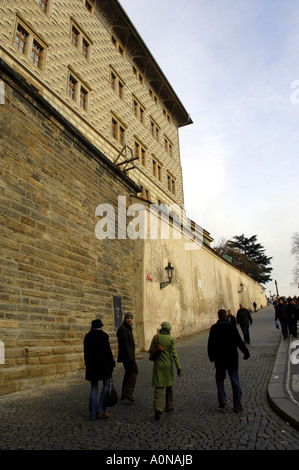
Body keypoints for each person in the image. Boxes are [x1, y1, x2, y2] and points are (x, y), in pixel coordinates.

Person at [208, 309, 250, 413]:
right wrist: (246, 352)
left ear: (218, 316)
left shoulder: (214, 328)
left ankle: (222, 398)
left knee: (220, 379)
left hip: (219, 359)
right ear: (226, 316)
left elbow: (210, 344)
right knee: (235, 381)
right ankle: (237, 405)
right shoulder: (231, 327)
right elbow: (239, 341)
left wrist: (211, 357)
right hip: (231, 358)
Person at [149, 321, 182, 421]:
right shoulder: (171, 339)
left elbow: (150, 350)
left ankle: (158, 408)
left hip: (158, 365)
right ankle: (169, 406)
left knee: (159, 387)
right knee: (169, 386)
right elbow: (174, 354)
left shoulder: (156, 338)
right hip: (168, 365)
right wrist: (179, 367)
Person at [84, 319, 115, 420]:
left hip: (92, 367)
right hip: (104, 366)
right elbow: (108, 352)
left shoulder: (87, 337)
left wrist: (87, 365)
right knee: (106, 386)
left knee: (93, 389)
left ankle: (93, 414)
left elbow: (86, 354)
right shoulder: (104, 336)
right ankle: (101, 409)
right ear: (101, 326)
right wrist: (112, 363)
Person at [117, 312, 138, 402]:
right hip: (127, 356)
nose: (130, 320)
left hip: (129, 355)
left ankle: (123, 393)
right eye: (128, 318)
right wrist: (130, 356)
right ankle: (128, 392)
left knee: (128, 372)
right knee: (134, 371)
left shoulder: (127, 328)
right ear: (125, 319)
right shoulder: (123, 329)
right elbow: (124, 345)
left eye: (131, 318)